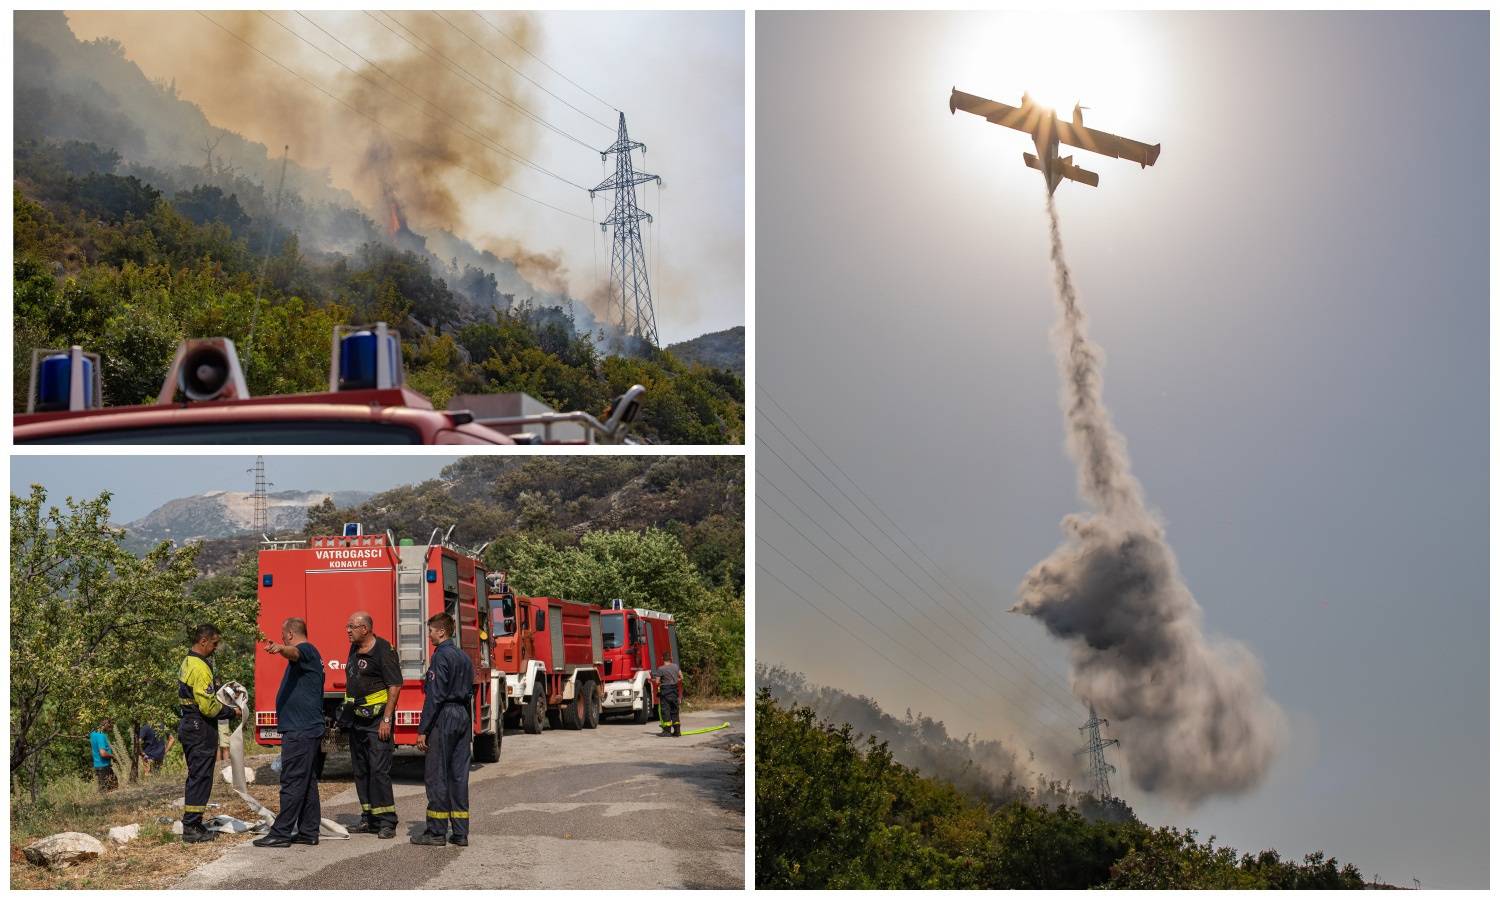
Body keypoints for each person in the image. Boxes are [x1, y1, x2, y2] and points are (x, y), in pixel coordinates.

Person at [254, 618, 325, 848]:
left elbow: (293, 652)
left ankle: (281, 833)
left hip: (300, 730)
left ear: (291, 634)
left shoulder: (305, 650)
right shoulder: (309, 653)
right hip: (305, 729)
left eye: (283, 635)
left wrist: (281, 648)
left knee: (292, 781)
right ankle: (308, 831)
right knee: (306, 782)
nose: (282, 637)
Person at [411, 613, 473, 847]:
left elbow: (434, 696)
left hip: (444, 716)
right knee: (459, 776)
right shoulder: (463, 657)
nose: (429, 635)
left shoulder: (441, 657)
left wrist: (423, 729)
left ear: (442, 632)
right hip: (462, 716)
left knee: (437, 775)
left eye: (431, 631)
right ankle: (460, 833)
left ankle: (436, 832)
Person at [343, 610, 402, 839]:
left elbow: (394, 686)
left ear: (365, 629)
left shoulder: (384, 651)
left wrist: (387, 719)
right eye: (347, 626)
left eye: (352, 627)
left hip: (378, 722)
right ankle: (369, 818)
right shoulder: (354, 649)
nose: (347, 630)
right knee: (361, 770)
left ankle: (387, 821)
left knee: (379, 771)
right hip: (357, 721)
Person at [178, 623, 239, 843]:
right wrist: (232, 712)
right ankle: (192, 826)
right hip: (199, 726)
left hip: (189, 723)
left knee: (197, 775)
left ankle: (193, 822)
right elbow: (208, 706)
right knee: (201, 777)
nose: (215, 648)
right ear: (203, 641)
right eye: (214, 643)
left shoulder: (188, 661)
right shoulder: (200, 667)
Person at [652, 657, 683, 737]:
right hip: (674, 691)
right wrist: (675, 680)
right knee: (675, 711)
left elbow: (657, 682)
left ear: (663, 659)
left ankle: (667, 731)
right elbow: (681, 677)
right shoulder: (676, 666)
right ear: (670, 659)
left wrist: (658, 680)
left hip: (665, 692)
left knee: (665, 711)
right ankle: (677, 731)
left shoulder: (661, 669)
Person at [89, 719, 118, 793]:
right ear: (105, 724)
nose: (111, 728)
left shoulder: (93, 734)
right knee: (105, 791)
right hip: (103, 766)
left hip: (97, 765)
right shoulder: (101, 736)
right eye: (110, 725)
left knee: (113, 785)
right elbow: (103, 753)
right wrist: (113, 756)